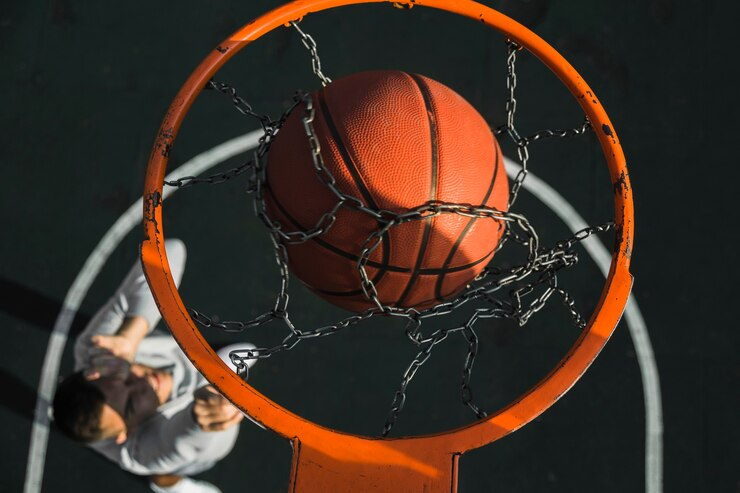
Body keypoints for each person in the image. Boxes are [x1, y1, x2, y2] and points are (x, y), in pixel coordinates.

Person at [53, 239, 247, 493]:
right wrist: (204, 419)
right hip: (185, 451)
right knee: (167, 468)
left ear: (95, 372)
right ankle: (167, 486)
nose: (143, 383)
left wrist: (132, 333)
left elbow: (170, 249)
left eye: (125, 378)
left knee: (241, 350)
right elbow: (189, 440)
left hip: (183, 364)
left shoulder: (98, 351)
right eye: (131, 404)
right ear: (128, 432)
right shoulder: (140, 450)